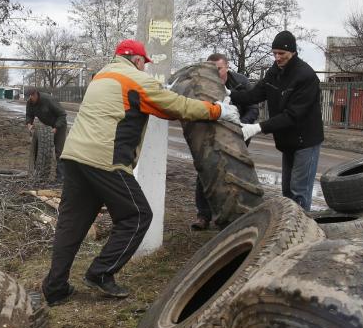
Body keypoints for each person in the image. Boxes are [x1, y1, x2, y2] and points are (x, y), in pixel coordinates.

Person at [41, 39, 243, 305]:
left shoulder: (102, 76)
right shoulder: (136, 79)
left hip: (75, 158)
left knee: (71, 224)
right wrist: (217, 111)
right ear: (137, 61)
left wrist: (158, 91)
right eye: (144, 64)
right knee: (137, 216)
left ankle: (55, 288)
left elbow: (146, 101)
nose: (144, 68)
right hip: (106, 159)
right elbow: (175, 107)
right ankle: (101, 273)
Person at [230, 31, 324, 210]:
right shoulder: (274, 72)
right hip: (287, 141)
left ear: (293, 52)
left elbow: (292, 115)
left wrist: (258, 127)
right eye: (274, 53)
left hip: (306, 142)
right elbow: (255, 94)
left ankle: (301, 233)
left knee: (299, 191)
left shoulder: (306, 77)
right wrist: (230, 95)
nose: (277, 57)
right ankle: (289, 230)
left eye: (282, 54)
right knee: (287, 191)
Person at [191, 53, 260, 230]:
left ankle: (235, 215)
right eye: (211, 70)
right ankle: (203, 215)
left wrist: (242, 127)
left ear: (227, 67)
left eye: (219, 69)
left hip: (238, 134)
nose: (215, 73)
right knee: (205, 171)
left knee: (236, 172)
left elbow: (253, 108)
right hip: (210, 134)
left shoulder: (240, 83)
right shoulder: (201, 85)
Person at [25, 89, 68, 181]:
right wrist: (29, 123)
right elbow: (29, 114)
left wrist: (56, 128)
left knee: (59, 151)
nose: (30, 98)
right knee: (41, 147)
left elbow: (62, 114)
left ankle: (60, 177)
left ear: (36, 94)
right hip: (47, 126)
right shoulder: (30, 103)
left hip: (59, 125)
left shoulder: (48, 100)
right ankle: (38, 171)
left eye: (31, 96)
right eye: (28, 96)